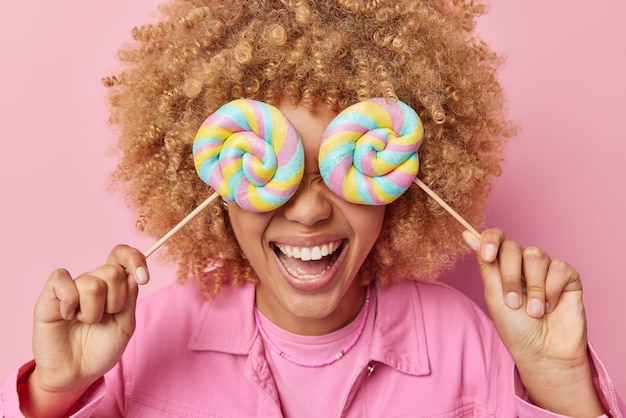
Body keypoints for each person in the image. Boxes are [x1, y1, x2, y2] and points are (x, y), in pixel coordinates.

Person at [1, 0, 624, 416]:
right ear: (216, 181)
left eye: (345, 163)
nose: (308, 212)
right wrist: (58, 390)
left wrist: (561, 381)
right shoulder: (147, 339)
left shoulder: (466, 343)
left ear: (400, 176)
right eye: (271, 166)